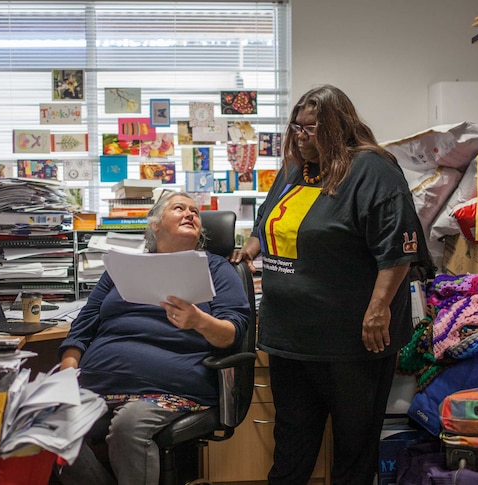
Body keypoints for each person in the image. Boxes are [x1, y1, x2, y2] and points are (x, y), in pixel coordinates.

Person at [230, 84, 426, 485]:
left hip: (351, 342)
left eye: (311, 128)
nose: (301, 137)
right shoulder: (294, 169)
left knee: (353, 450)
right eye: (296, 128)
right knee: (291, 446)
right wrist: (250, 248)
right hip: (291, 337)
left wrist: (378, 309)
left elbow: (398, 250)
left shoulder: (373, 170)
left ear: (337, 127)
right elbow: (269, 218)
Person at [57, 192, 250, 485]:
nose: (190, 214)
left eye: (195, 211)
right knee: (52, 425)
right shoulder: (123, 268)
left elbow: (233, 334)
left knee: (129, 426)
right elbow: (84, 324)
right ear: (155, 223)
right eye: (179, 208)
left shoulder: (217, 269)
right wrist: (68, 369)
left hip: (170, 385)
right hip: (98, 383)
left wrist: (199, 320)